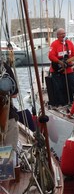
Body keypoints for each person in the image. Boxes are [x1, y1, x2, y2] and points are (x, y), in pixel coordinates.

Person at [48, 28, 74, 106]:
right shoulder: (54, 44)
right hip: (57, 69)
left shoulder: (69, 43)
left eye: (64, 33)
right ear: (58, 35)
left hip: (68, 69)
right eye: (61, 34)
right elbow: (51, 56)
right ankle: (63, 103)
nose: (63, 35)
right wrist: (59, 62)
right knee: (60, 87)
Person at [0, 61, 18, 190]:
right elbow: (14, 94)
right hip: (7, 118)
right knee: (5, 154)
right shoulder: (3, 67)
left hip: (7, 118)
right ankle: (4, 190)